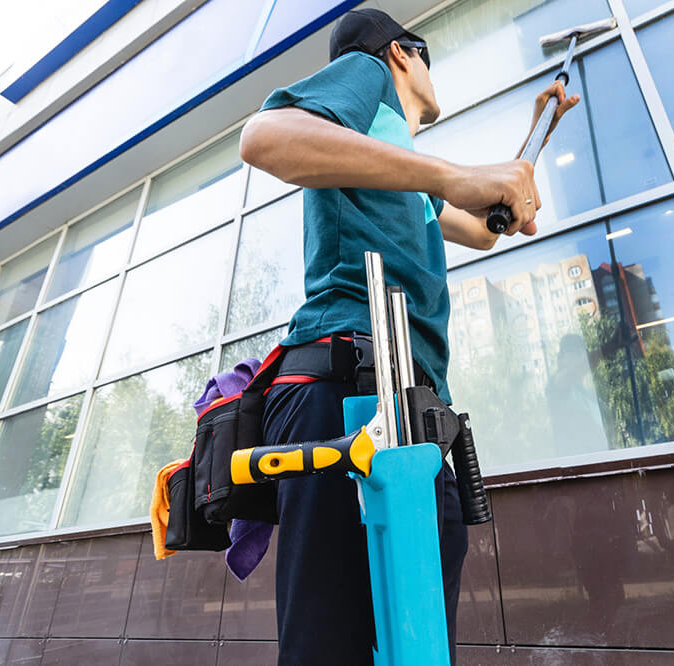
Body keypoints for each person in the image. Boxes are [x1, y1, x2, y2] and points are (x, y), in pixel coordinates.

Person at [239, 8, 578, 665]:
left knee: (417, 644)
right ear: (401, 53)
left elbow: (487, 225)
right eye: (426, 55)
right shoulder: (363, 79)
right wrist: (453, 176)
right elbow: (265, 138)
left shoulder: (400, 164)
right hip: (349, 383)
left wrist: (534, 139)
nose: (428, 69)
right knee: (332, 649)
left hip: (413, 408)